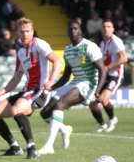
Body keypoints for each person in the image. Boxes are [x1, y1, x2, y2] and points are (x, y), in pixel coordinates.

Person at [0, 17, 61, 159]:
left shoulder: (39, 44)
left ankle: (31, 148)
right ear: (18, 34)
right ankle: (14, 147)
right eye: (22, 31)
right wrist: (1, 91)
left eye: (28, 31)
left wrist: (51, 81)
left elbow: (56, 60)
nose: (25, 34)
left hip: (40, 90)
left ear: (32, 32)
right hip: (27, 91)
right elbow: (16, 79)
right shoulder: (20, 53)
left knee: (16, 110)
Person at [38, 20, 106, 155]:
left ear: (80, 30)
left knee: (60, 105)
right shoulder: (68, 51)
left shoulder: (89, 46)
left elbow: (102, 71)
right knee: (45, 112)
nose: (73, 31)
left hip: (88, 84)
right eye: (70, 29)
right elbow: (65, 77)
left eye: (76, 29)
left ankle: (49, 146)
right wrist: (51, 86)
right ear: (67, 32)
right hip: (75, 82)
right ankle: (64, 129)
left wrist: (97, 91)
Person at [89, 20, 127, 132]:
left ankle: (112, 119)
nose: (106, 28)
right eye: (104, 26)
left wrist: (109, 67)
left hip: (115, 75)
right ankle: (102, 124)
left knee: (103, 99)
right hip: (105, 76)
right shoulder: (102, 43)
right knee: (92, 103)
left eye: (109, 26)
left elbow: (124, 58)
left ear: (113, 29)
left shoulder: (116, 41)